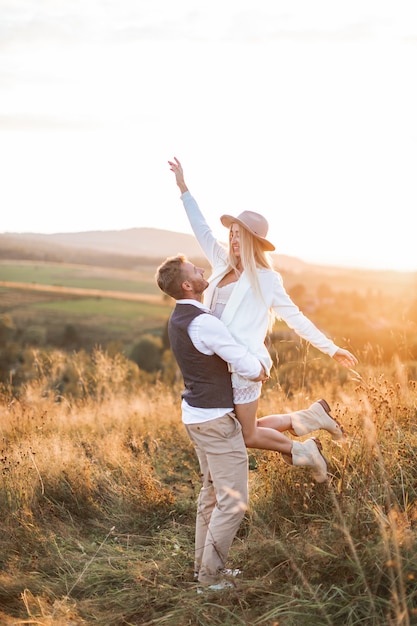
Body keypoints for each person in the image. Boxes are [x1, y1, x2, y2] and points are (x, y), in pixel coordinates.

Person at [155, 254, 329, 589]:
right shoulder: (204, 323)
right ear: (188, 285)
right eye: (195, 270)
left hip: (197, 417)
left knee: (210, 494)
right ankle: (210, 580)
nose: (203, 269)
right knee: (233, 501)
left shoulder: (180, 317)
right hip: (216, 422)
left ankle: (202, 569)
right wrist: (261, 369)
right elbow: (241, 361)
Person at [168, 157, 359, 461]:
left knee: (244, 434)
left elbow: (297, 319)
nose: (232, 237)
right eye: (231, 232)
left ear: (252, 240)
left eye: (238, 233)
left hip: (245, 364)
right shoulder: (219, 264)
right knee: (245, 429)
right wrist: (183, 188)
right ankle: (311, 418)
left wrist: (331, 349)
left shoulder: (267, 280)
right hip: (218, 364)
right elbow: (201, 228)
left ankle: (306, 448)